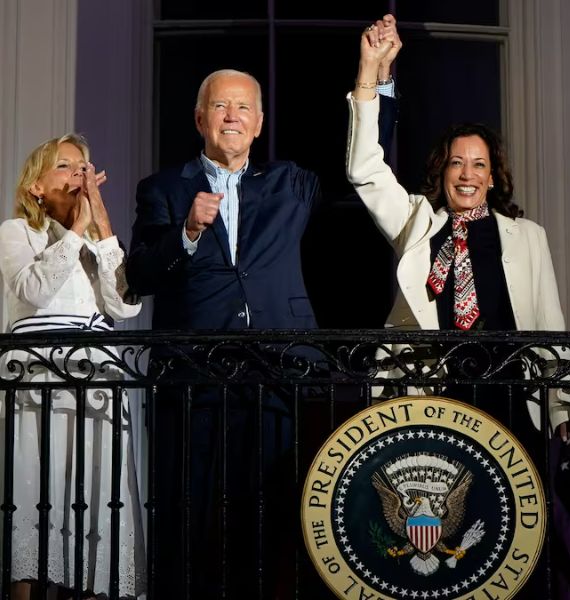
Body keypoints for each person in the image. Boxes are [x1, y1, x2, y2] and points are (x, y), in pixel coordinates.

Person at [126, 18, 401, 600]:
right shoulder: (162, 189)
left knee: (273, 515)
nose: (232, 115)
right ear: (200, 119)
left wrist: (371, 76)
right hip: (194, 374)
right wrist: (187, 232)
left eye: (244, 107)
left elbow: (362, 160)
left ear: (259, 123)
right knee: (190, 514)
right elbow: (139, 276)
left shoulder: (290, 182)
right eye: (220, 106)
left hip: (280, 372)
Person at [346, 15, 570, 445]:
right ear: (442, 171)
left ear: (492, 177)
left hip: (510, 399)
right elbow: (365, 170)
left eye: (479, 164)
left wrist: (562, 407)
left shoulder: (528, 236)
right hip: (435, 400)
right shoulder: (417, 223)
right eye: (457, 162)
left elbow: (551, 328)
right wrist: (368, 73)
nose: (467, 174)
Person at [0, 134, 144, 599]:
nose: (79, 173)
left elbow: (124, 308)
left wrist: (101, 226)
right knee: (31, 491)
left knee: (91, 491)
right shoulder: (17, 232)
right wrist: (76, 232)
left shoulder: (94, 243)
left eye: (85, 166)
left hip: (96, 381)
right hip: (37, 377)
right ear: (36, 187)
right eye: (65, 166)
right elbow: (33, 291)